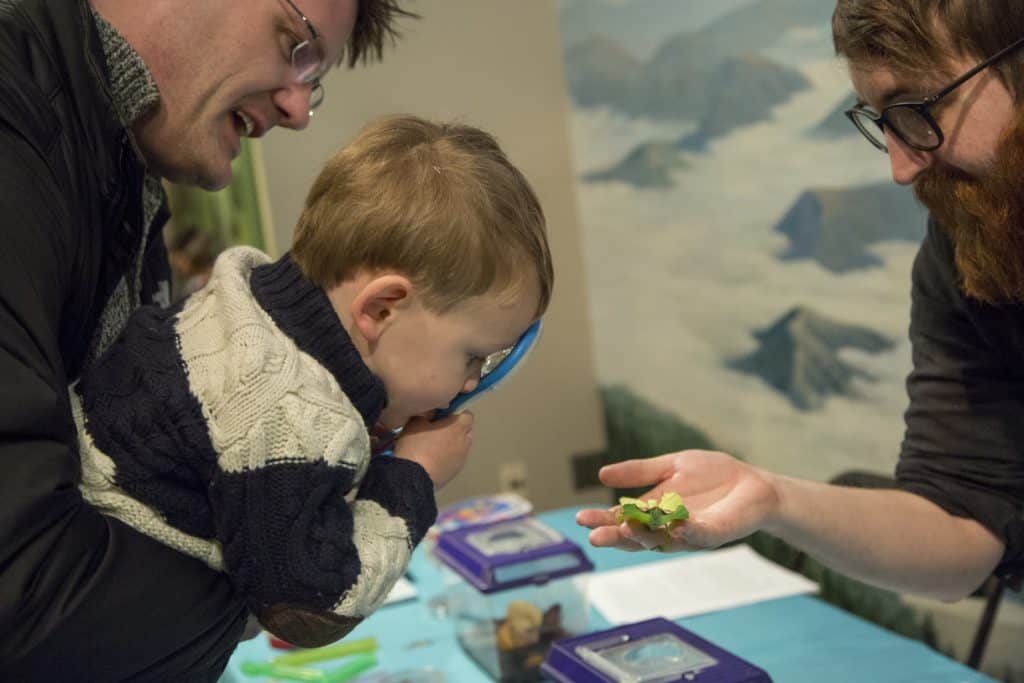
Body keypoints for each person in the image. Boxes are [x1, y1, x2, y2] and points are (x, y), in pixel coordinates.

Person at [0, 0, 415, 679]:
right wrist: (277, 574)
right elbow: (24, 592)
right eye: (296, 48)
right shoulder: (20, 140)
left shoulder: (120, 179)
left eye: (313, 80)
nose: (295, 106)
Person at [577, 0, 1024, 602]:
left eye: (920, 107)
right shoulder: (968, 252)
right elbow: (963, 524)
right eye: (881, 122)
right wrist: (773, 499)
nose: (901, 166)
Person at [72, 114, 553, 650]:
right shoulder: (292, 410)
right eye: (472, 357)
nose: (468, 385)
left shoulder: (242, 312)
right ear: (382, 309)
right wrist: (413, 477)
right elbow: (311, 609)